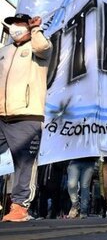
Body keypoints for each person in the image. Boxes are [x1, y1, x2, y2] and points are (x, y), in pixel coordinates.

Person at [0, 14, 52, 222]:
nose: (15, 28)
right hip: (1, 115)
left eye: (20, 25)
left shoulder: (37, 46)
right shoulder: (4, 51)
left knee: (24, 163)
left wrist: (36, 30)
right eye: (13, 25)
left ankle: (19, 206)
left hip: (27, 115)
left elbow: (43, 48)